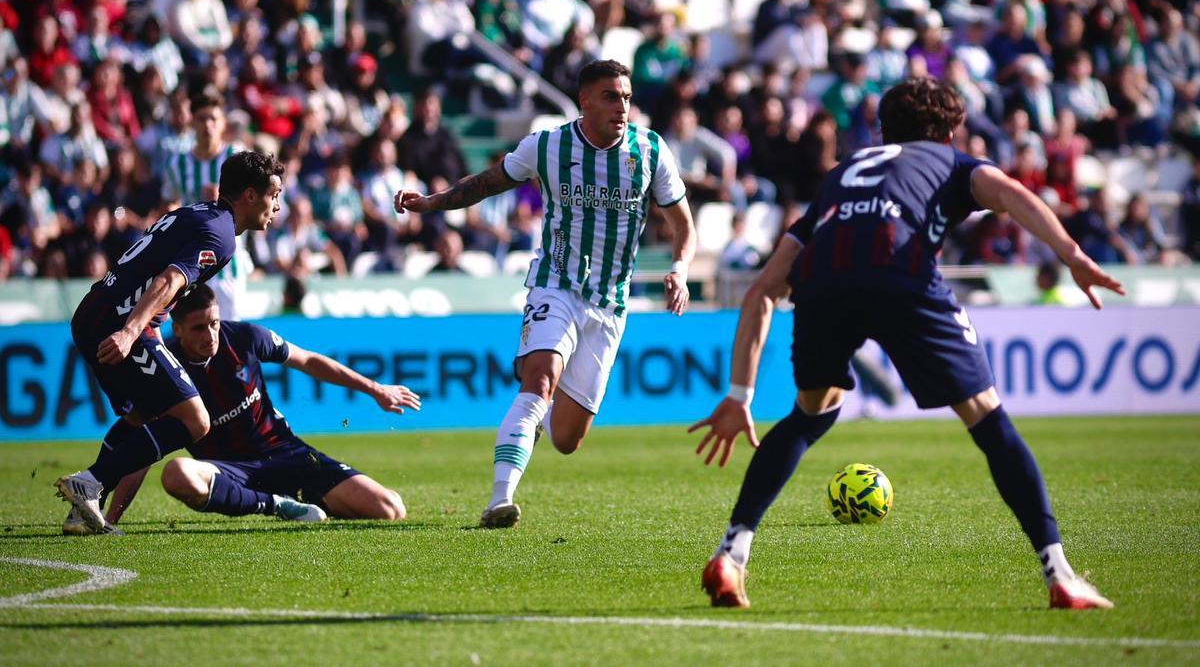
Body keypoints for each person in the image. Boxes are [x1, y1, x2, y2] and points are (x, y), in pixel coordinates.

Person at [689, 78, 1123, 611]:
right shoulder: (952, 163)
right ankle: (1060, 575)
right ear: (949, 131)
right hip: (901, 272)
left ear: (884, 128)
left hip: (823, 282)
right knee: (988, 420)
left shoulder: (840, 175)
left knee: (811, 414)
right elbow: (1012, 195)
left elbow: (761, 291)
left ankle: (732, 554)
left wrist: (740, 394)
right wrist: (1072, 254)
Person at [394, 60, 695, 528]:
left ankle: (536, 415)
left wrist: (679, 268)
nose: (622, 107)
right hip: (555, 283)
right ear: (585, 101)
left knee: (567, 439)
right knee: (538, 381)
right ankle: (500, 498)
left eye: (628, 97)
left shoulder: (651, 150)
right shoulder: (549, 146)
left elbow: (683, 226)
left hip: (610, 304)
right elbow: (487, 182)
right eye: (612, 97)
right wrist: (433, 203)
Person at [55, 150, 284, 534]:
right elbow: (170, 280)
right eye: (274, 194)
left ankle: (82, 509)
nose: (277, 205)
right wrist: (131, 330)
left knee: (142, 416)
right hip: (119, 322)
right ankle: (90, 481)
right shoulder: (222, 235)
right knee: (196, 421)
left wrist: (148, 324)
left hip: (96, 312)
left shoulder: (198, 213)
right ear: (249, 195)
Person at [70, 283, 418, 533]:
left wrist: (376, 389)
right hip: (227, 470)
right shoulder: (165, 370)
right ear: (176, 329)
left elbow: (308, 360)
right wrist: (112, 518)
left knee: (390, 508)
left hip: (284, 454)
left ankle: (305, 500)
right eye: (199, 328)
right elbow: (144, 452)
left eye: (215, 323)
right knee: (177, 474)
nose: (211, 335)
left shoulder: (247, 338)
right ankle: (278, 505)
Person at [160, 90, 252, 320]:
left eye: (213, 118)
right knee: (193, 338)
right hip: (192, 264)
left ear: (223, 124)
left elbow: (252, 203)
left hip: (229, 265)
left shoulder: (237, 157)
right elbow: (169, 202)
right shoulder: (177, 163)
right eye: (202, 118)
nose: (207, 125)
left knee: (229, 338)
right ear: (191, 122)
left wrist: (223, 200)